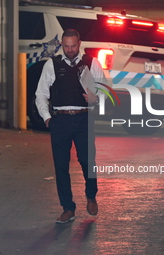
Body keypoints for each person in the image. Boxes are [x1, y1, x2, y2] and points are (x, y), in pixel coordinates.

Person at [36, 29, 108, 223]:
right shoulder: (52, 65)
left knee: (87, 161)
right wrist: (47, 117)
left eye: (73, 46)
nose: (69, 50)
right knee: (60, 166)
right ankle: (68, 208)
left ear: (79, 43)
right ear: (62, 44)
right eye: (66, 46)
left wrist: (95, 98)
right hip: (60, 119)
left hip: (83, 118)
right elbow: (41, 94)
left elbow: (106, 93)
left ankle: (91, 195)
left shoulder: (92, 63)